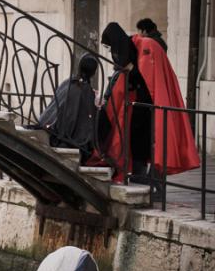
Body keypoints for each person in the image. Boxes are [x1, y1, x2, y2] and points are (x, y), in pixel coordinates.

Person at [94, 22, 198, 183]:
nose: (112, 53)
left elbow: (150, 79)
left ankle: (151, 181)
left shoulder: (145, 46)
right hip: (139, 106)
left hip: (151, 104)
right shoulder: (132, 50)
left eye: (110, 47)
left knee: (154, 142)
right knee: (140, 142)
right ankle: (140, 178)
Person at [36, 54, 98, 162]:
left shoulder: (68, 83)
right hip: (70, 137)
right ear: (93, 72)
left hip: (56, 130)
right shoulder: (86, 90)